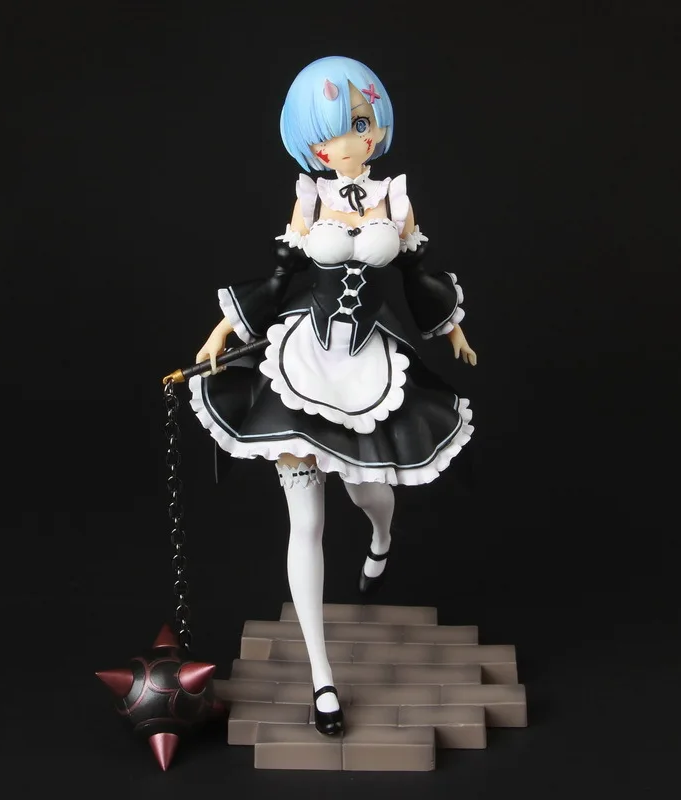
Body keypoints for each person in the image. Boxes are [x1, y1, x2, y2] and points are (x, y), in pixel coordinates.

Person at [188, 56, 477, 736]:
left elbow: (417, 274)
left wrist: (453, 329)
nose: (347, 140)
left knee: (368, 492)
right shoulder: (309, 198)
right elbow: (281, 276)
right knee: (306, 523)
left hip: (367, 365)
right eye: (331, 131)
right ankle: (322, 678)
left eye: (359, 122)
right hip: (303, 363)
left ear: (376, 129)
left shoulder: (395, 198)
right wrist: (225, 328)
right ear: (312, 144)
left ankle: (381, 536)